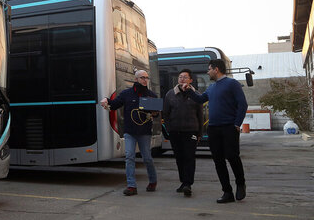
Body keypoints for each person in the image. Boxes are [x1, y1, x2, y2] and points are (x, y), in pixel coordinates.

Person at [182, 59, 248, 204]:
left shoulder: (232, 84)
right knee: (218, 161)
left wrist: (237, 123)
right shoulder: (211, 88)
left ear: (216, 70)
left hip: (229, 127)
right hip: (213, 128)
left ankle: (240, 183)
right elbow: (200, 100)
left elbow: (243, 104)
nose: (208, 72)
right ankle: (227, 191)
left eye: (209, 69)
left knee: (232, 156)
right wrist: (188, 90)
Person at [100, 70, 158, 196]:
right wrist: (106, 100)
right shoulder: (126, 93)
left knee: (147, 158)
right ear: (136, 79)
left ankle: (153, 181)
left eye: (147, 78)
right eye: (142, 78)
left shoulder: (151, 95)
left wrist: (154, 112)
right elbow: (114, 104)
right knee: (129, 157)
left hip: (144, 132)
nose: (145, 80)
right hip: (130, 132)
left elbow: (157, 114)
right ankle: (131, 186)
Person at [162, 68, 203, 197]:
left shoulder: (196, 94)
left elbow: (200, 115)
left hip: (191, 130)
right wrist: (169, 129)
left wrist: (199, 133)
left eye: (185, 77)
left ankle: (188, 184)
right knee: (179, 157)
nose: (182, 79)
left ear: (190, 80)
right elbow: (166, 114)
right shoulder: (170, 94)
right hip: (175, 132)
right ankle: (183, 182)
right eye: (180, 77)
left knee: (189, 157)